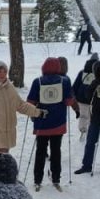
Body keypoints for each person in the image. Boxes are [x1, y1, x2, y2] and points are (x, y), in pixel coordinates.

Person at [27, 56, 76, 191]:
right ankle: (56, 178)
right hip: (58, 123)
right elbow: (69, 102)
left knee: (40, 151)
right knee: (56, 151)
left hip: (41, 123)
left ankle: (38, 180)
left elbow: (30, 102)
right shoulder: (64, 81)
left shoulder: (37, 81)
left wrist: (33, 113)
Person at [72, 53, 98, 145]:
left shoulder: (82, 72)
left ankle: (83, 131)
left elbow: (75, 85)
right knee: (92, 117)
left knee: (83, 116)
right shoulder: (99, 73)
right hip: (93, 100)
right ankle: (91, 134)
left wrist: (74, 95)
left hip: (81, 99)